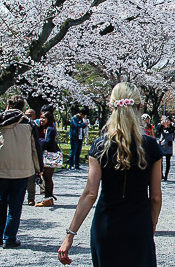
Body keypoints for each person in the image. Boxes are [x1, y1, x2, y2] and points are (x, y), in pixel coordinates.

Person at [58, 82, 163, 267]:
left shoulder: (100, 145)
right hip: (139, 224)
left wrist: (70, 235)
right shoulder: (151, 146)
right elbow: (155, 197)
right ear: (139, 107)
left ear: (111, 106)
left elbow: (90, 194)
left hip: (106, 224)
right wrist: (152, 223)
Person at [0, 95, 43, 249]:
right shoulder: (28, 123)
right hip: (22, 169)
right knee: (16, 204)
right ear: (23, 106)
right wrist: (39, 169)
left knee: (0, 200)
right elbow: (35, 148)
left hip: (0, 168)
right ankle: (9, 237)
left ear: (8, 105)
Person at [36, 110, 58, 207]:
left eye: (44, 118)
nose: (41, 119)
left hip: (49, 156)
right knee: (45, 177)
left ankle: (48, 198)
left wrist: (39, 141)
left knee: (48, 178)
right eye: (41, 117)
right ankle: (47, 197)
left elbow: (48, 142)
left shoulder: (50, 129)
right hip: (44, 156)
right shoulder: (43, 129)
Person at [24, 109, 41, 206]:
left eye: (29, 115)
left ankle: (31, 198)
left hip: (30, 155)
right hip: (21, 155)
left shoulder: (34, 126)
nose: (27, 116)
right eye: (26, 114)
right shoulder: (21, 124)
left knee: (31, 180)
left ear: (34, 116)